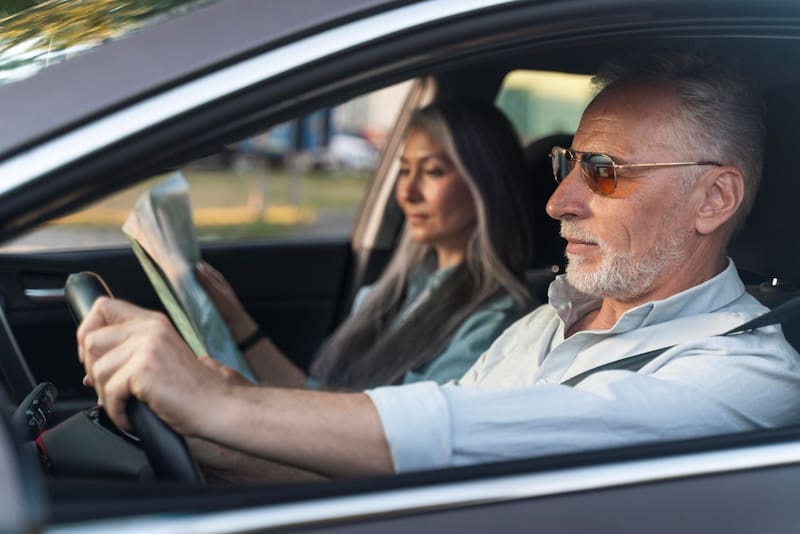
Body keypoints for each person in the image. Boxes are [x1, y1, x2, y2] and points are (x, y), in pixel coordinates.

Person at [77, 52, 800, 480]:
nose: (557, 201)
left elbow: (468, 431)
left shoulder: (749, 377)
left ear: (714, 198)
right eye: (567, 165)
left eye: (603, 171)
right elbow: (381, 467)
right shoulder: (539, 325)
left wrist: (223, 400)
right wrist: (197, 438)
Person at [196, 98, 535, 390]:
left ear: (485, 185)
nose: (408, 192)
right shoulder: (389, 293)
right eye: (404, 171)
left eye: (432, 172)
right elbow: (322, 401)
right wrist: (237, 321)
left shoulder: (494, 322)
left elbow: (405, 437)